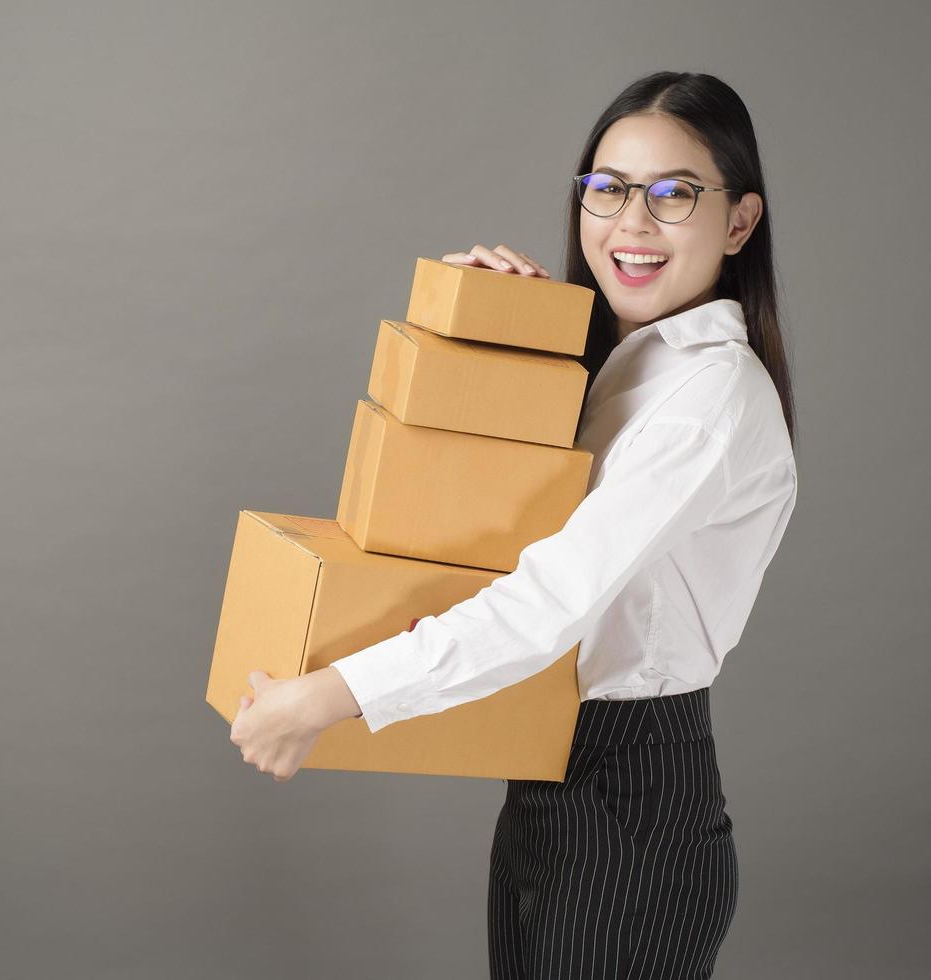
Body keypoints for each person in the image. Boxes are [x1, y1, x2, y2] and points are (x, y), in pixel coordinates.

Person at [229, 70, 798, 979]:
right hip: (555, 778)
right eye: (607, 190)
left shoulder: (711, 395)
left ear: (738, 222)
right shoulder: (625, 371)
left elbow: (546, 603)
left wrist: (331, 697)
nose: (631, 224)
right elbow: (482, 523)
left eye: (673, 194)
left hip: (633, 804)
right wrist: (499, 335)